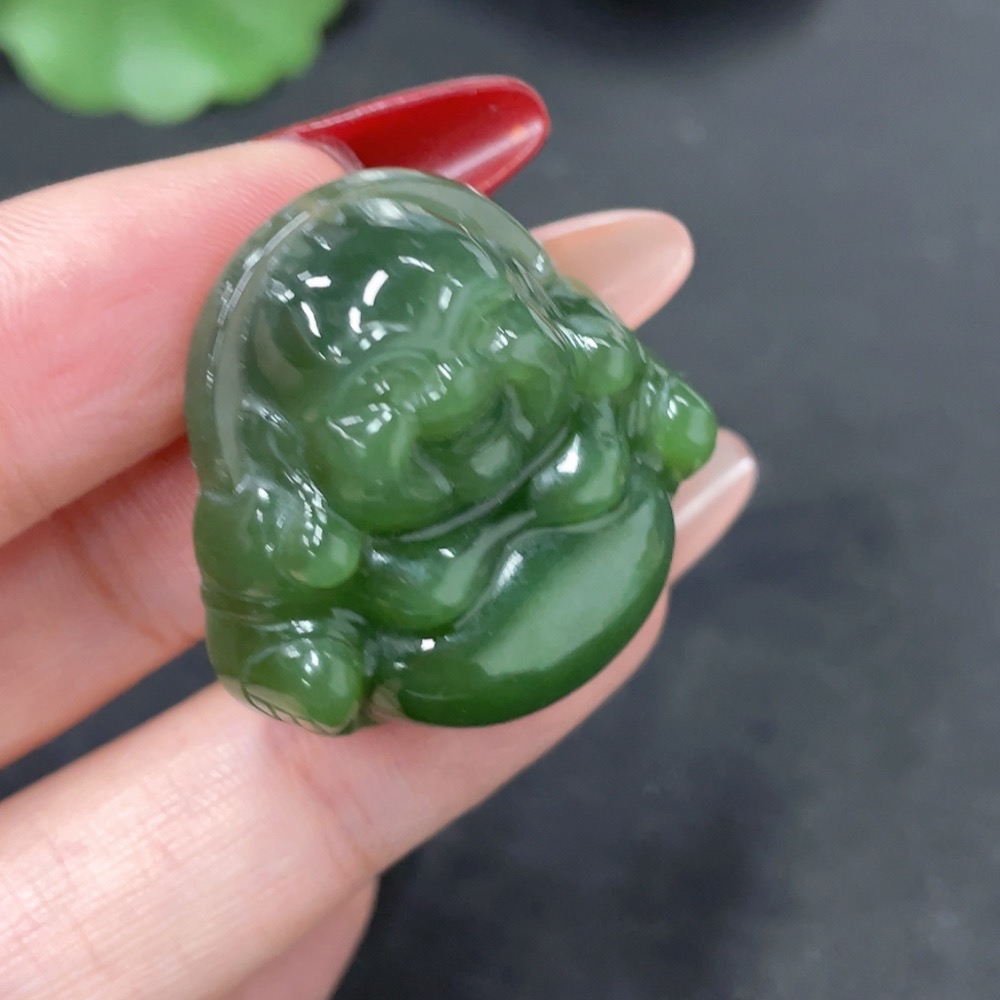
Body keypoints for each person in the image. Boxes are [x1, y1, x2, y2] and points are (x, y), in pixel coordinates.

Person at [0, 79, 757, 999]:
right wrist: (302, 660)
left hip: (602, 519)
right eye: (386, 391)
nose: (460, 393)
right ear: (296, 451)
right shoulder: (288, 516)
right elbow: (263, 635)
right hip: (446, 632)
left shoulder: (575, 368)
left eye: (490, 331)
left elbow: (649, 402)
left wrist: (659, 417)